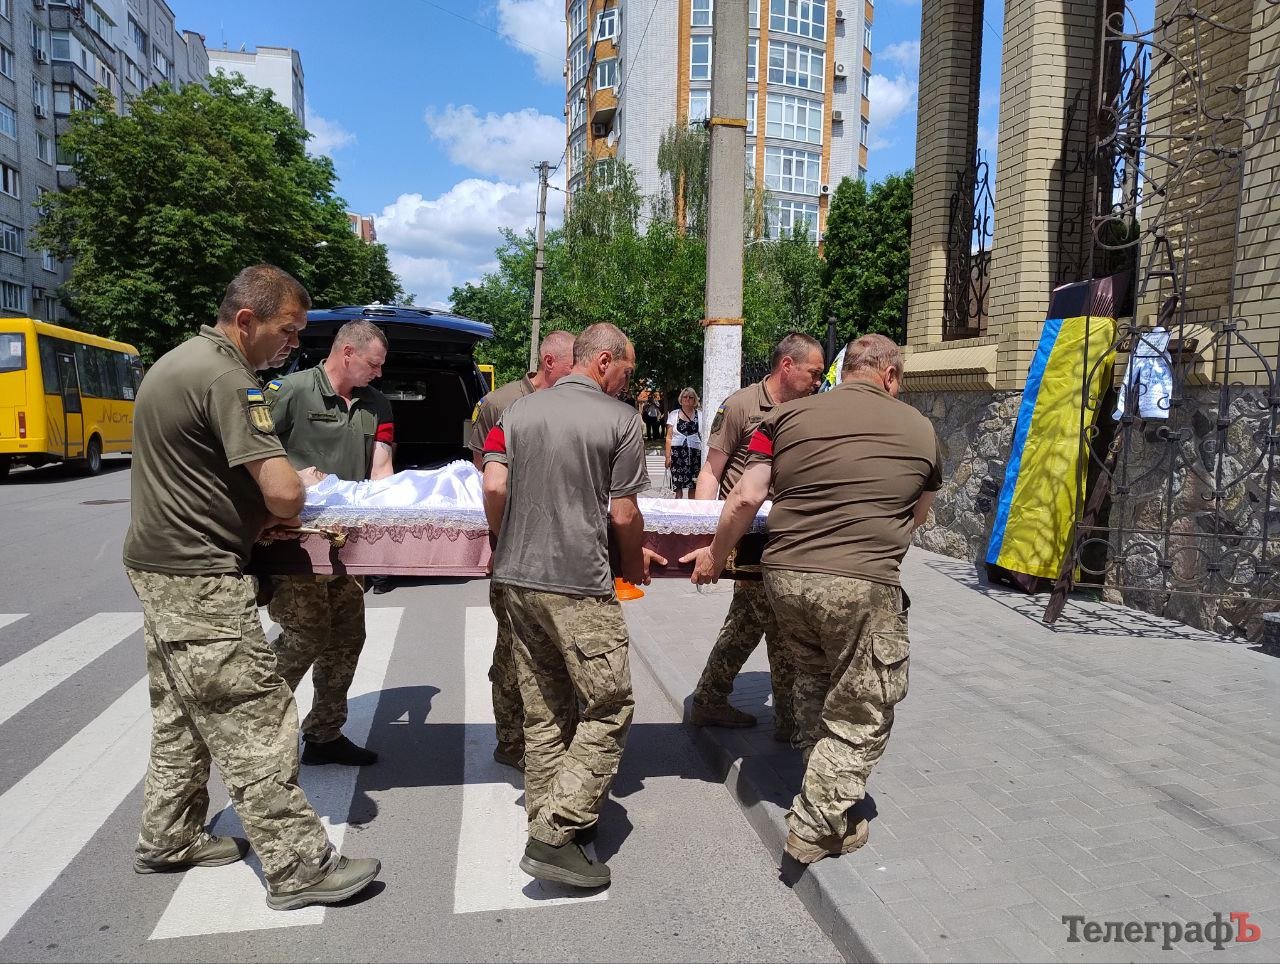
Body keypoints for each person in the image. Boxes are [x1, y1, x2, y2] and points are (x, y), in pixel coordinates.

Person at [122, 264, 380, 910]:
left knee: (182, 711)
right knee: (255, 716)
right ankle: (298, 866)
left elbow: (199, 479)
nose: (293, 344)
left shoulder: (178, 362)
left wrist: (252, 516)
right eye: (287, 331)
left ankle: (169, 835)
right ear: (245, 320)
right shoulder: (228, 378)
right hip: (200, 575)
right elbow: (285, 491)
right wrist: (290, 498)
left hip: (162, 564)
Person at [684, 334, 940, 864]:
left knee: (812, 678)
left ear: (846, 370)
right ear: (890, 375)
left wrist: (714, 554)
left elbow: (746, 496)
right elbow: (918, 514)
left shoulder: (783, 419)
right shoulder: (920, 428)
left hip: (783, 578)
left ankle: (816, 776)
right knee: (863, 706)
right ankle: (817, 824)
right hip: (862, 581)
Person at [481, 322, 664, 890]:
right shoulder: (621, 421)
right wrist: (631, 565)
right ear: (604, 361)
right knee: (609, 706)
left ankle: (549, 821)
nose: (628, 381)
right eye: (627, 369)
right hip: (580, 583)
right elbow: (623, 514)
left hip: (517, 579)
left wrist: (506, 542)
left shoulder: (518, 411)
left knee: (544, 710)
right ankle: (556, 833)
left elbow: (494, 487)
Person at [264, 320, 395, 767]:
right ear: (347, 353)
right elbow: (249, 453)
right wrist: (292, 478)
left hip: (348, 544)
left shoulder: (377, 403)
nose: (379, 373)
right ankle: (257, 727)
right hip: (296, 541)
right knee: (306, 634)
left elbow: (381, 470)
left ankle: (324, 734)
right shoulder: (291, 391)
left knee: (347, 637)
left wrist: (389, 531)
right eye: (373, 364)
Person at [687, 333, 826, 736]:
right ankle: (790, 720)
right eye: (814, 372)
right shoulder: (741, 406)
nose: (818, 381)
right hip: (746, 538)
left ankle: (711, 698)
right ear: (787, 365)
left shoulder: (808, 409)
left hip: (788, 536)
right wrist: (705, 538)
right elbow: (711, 472)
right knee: (781, 624)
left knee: (749, 622)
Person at [467, 330, 576, 771]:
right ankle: (511, 739)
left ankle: (550, 734)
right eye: (572, 366)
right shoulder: (500, 403)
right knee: (513, 647)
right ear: (549, 362)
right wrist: (501, 535)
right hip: (512, 543)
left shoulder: (571, 402)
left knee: (552, 649)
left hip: (556, 548)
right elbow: (482, 474)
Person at [664, 387, 702, 499]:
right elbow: (669, 437)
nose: (687, 399)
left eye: (691, 397)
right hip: (677, 454)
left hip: (694, 454)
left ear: (695, 400)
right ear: (681, 399)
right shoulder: (673, 414)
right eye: (685, 397)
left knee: (693, 485)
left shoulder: (700, 415)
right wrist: (667, 457)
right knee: (677, 486)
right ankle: (678, 506)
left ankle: (691, 507)